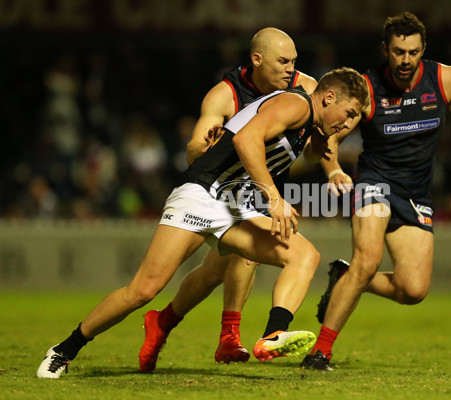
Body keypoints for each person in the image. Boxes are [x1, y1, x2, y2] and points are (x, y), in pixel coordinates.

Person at [37, 66, 369, 379]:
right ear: (328, 98)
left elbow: (319, 148)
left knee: (303, 255)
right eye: (350, 113)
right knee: (143, 290)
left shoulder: (311, 120)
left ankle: (273, 334)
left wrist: (334, 168)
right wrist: (275, 197)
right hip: (202, 193)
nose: (349, 124)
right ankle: (64, 350)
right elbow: (245, 139)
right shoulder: (295, 104)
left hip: (234, 203)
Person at [300, 12, 451, 371]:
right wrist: (334, 169)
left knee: (413, 290)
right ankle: (320, 353)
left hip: (416, 193)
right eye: (398, 52)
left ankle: (346, 278)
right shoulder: (367, 88)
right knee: (368, 259)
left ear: (424, 50)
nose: (406, 60)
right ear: (385, 50)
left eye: (413, 52)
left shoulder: (445, 79)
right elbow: (329, 135)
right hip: (374, 182)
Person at [138, 27, 319, 371]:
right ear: (257, 60)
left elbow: (315, 144)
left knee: (212, 272)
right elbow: (194, 154)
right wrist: (203, 145)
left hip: (266, 188)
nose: (290, 69)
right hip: (222, 191)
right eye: (283, 61)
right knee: (239, 260)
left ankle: (163, 323)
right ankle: (228, 337)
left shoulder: (304, 87)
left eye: (293, 62)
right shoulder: (224, 95)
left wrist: (330, 162)